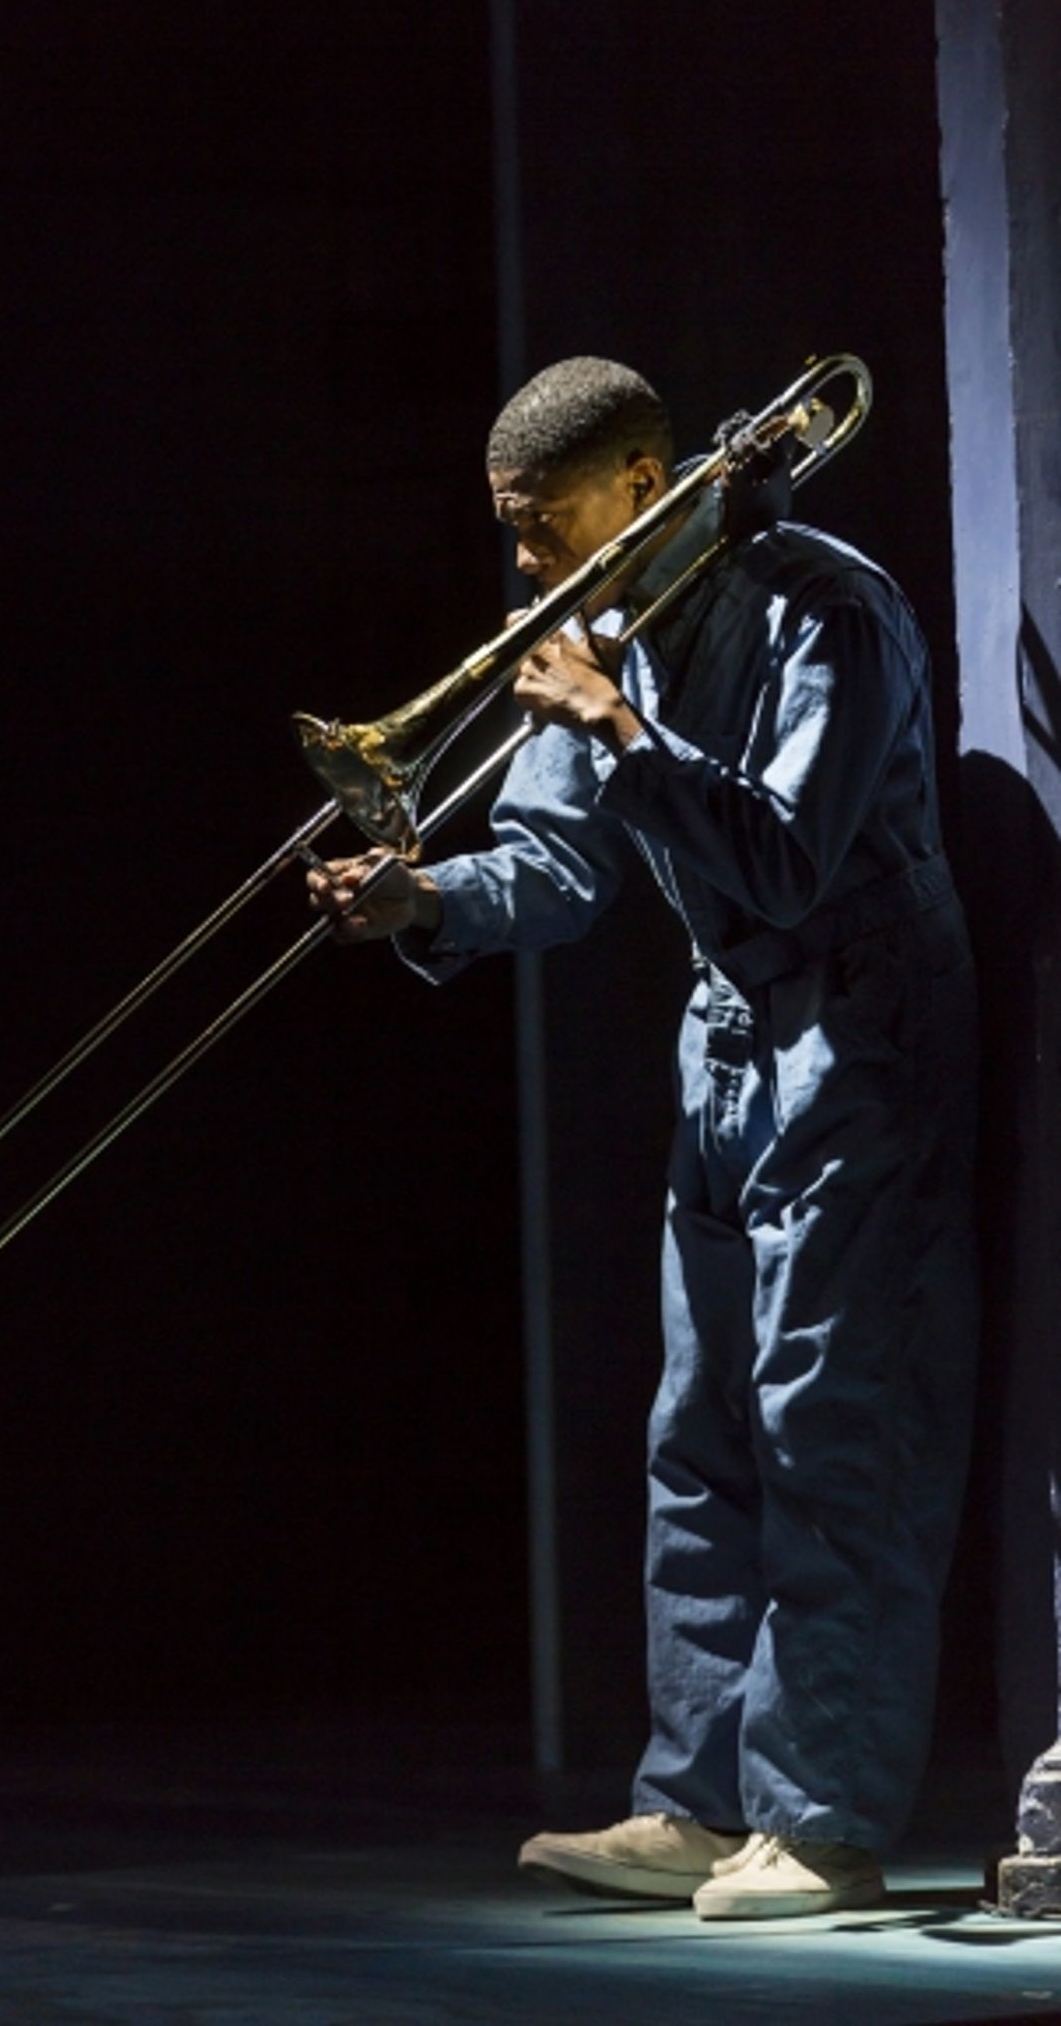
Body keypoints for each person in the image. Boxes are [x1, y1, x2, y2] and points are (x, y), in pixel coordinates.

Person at [309, 357, 978, 1920]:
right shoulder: (598, 629)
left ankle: (822, 1818)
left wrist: (614, 718)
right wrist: (423, 898)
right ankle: (699, 1796)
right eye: (514, 531)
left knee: (833, 1422)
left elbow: (792, 857)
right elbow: (557, 864)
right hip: (731, 1037)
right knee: (701, 1432)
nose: (528, 565)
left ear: (639, 478)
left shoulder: (826, 603)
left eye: (544, 527)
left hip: (860, 1026)